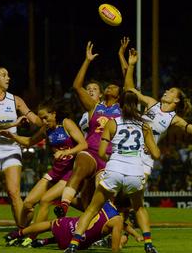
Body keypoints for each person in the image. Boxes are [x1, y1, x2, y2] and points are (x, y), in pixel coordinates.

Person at [64, 90, 160, 253]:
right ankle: (149, 244)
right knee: (139, 209)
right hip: (135, 172)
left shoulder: (112, 123)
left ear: (120, 105)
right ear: (136, 105)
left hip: (114, 170)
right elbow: (156, 154)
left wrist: (113, 160)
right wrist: (145, 148)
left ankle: (73, 244)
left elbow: (101, 153)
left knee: (92, 209)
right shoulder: (144, 125)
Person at [124, 48, 192, 176]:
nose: (167, 91)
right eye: (168, 90)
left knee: (136, 193)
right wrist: (132, 65)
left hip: (147, 154)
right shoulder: (151, 103)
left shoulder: (174, 119)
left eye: (171, 91)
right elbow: (129, 89)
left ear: (177, 99)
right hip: (129, 147)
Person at [0, 99, 87, 237]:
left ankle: (31, 236)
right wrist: (12, 136)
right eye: (41, 119)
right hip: (55, 171)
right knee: (28, 203)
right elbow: (28, 142)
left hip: (69, 173)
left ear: (54, 114)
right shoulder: (46, 129)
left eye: (46, 117)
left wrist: (66, 152)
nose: (44, 121)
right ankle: (21, 231)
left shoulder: (66, 123)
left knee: (45, 200)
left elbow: (83, 144)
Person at [54, 42, 122, 218]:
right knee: (78, 171)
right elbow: (77, 86)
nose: (110, 86)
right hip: (90, 151)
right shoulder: (94, 107)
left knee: (101, 197)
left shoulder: (122, 110)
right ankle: (64, 205)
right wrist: (87, 60)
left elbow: (129, 85)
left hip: (109, 158)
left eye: (114, 86)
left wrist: (124, 61)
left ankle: (108, 227)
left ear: (119, 95)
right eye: (107, 85)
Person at [0, 64, 43, 246]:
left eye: (8, 75)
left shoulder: (16, 100)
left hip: (11, 148)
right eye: (4, 75)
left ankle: (22, 234)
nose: (8, 78)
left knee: (14, 192)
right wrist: (12, 123)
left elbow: (34, 119)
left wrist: (47, 121)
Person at [5, 201, 124, 252]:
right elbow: (115, 248)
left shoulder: (104, 201)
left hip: (70, 228)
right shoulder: (117, 220)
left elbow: (83, 203)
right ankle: (44, 241)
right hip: (76, 244)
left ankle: (16, 234)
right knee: (88, 238)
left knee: (49, 224)